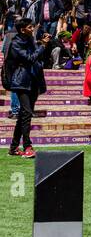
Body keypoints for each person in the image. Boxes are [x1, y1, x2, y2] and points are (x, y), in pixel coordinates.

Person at [4, 16, 51, 157]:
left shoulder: (30, 40)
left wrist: (42, 43)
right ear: (23, 30)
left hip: (33, 81)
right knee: (27, 113)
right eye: (30, 27)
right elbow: (30, 58)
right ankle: (27, 146)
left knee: (24, 115)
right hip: (21, 82)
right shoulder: (16, 43)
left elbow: (38, 56)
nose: (33, 28)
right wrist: (42, 46)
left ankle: (13, 148)